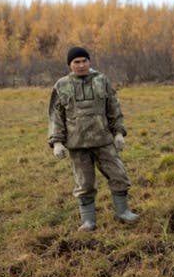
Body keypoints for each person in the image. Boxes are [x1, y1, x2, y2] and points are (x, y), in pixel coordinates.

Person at [48, 46, 140, 231]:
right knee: (84, 184)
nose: (81, 65)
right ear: (70, 64)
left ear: (89, 62)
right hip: (77, 144)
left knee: (119, 175)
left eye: (84, 61)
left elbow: (114, 108)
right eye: (76, 62)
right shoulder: (61, 85)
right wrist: (57, 142)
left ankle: (123, 212)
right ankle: (88, 221)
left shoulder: (102, 80)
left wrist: (119, 133)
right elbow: (55, 116)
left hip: (104, 140)